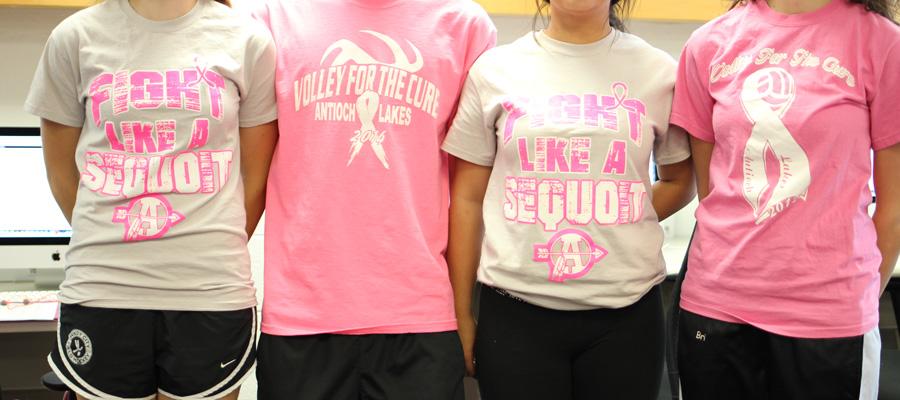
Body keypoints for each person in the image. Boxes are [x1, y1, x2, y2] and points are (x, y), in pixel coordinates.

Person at [441, 1, 696, 398]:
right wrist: (461, 313)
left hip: (627, 315)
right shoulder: (495, 70)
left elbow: (681, 180)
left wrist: (603, 216)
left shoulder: (659, 71)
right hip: (513, 312)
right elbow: (468, 199)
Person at [25, 0, 278, 398]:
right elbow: (60, 172)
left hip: (210, 290)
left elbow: (256, 177)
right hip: (103, 288)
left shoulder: (246, 39)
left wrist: (209, 245)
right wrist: (113, 240)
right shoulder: (75, 37)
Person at [248, 1, 496, 399]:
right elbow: (249, 173)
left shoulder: (465, 26)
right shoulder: (274, 17)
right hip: (303, 318)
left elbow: (471, 192)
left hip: (421, 318)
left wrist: (464, 312)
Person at [671, 0, 900, 398]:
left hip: (831, 318)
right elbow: (714, 192)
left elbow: (895, 205)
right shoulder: (708, 43)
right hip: (717, 307)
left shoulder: (883, 43)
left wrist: (854, 294)